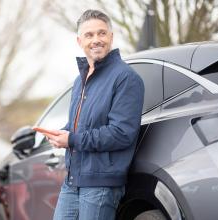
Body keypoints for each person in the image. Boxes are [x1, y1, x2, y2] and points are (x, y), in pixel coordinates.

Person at [42, 9, 145, 220]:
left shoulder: (126, 78)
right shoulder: (79, 81)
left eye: (101, 33)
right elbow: (79, 127)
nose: (96, 40)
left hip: (101, 184)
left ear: (111, 37)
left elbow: (121, 133)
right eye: (89, 35)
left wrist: (72, 139)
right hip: (72, 181)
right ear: (80, 41)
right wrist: (61, 134)